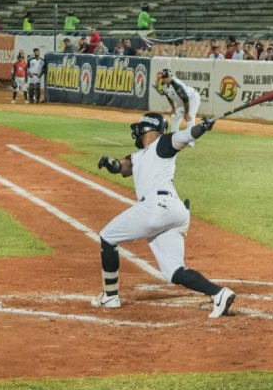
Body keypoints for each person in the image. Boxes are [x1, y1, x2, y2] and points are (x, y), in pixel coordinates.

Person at [94, 113, 235, 318]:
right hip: (175, 212)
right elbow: (123, 167)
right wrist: (111, 163)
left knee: (108, 237)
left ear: (147, 128)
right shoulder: (139, 155)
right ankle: (220, 293)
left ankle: (110, 296)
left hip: (156, 207)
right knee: (174, 271)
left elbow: (184, 136)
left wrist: (202, 127)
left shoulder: (163, 143)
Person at [158, 68, 201, 137]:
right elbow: (168, 96)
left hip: (192, 98)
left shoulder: (176, 85)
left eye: (166, 77)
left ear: (170, 76)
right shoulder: (164, 85)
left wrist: (186, 113)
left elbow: (185, 99)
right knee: (174, 117)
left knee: (190, 118)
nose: (164, 79)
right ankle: (174, 137)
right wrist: (173, 108)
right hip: (182, 101)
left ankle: (190, 140)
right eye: (163, 78)